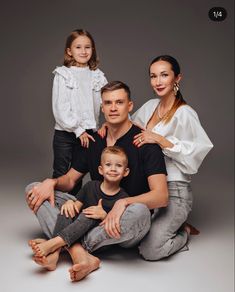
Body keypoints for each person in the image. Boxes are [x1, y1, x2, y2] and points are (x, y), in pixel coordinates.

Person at [26, 80, 168, 281]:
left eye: (119, 102)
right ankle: (80, 254)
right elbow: (70, 179)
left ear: (130, 106)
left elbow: (161, 196)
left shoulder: (145, 143)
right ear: (101, 107)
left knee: (140, 211)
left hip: (122, 223)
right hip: (91, 216)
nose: (113, 108)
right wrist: (52, 183)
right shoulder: (94, 140)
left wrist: (123, 202)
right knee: (34, 188)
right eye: (108, 103)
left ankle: (59, 245)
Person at [130, 55, 213, 260]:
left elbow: (199, 149)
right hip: (147, 186)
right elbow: (130, 128)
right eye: (153, 76)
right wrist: (110, 123)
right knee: (128, 236)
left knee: (149, 250)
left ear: (177, 78)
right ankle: (165, 222)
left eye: (164, 75)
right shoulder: (150, 106)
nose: (158, 81)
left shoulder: (185, 113)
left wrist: (160, 140)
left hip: (174, 190)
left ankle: (183, 232)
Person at [30, 146, 130, 263]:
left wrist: (104, 216)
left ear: (125, 172)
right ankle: (55, 254)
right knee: (67, 210)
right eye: (108, 164)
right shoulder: (90, 186)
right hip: (76, 231)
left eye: (118, 165)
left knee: (89, 214)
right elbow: (76, 208)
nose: (113, 169)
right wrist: (69, 203)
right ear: (100, 170)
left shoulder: (124, 198)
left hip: (95, 239)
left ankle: (52, 244)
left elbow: (115, 225)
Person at [52, 29, 107, 195]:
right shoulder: (63, 74)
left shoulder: (97, 76)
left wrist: (108, 124)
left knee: (77, 175)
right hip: (66, 133)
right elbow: (60, 108)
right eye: (78, 47)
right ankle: (57, 210)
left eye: (87, 47)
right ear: (69, 51)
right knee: (61, 174)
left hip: (89, 133)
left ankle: (73, 211)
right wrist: (78, 130)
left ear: (93, 50)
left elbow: (107, 101)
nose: (83, 51)